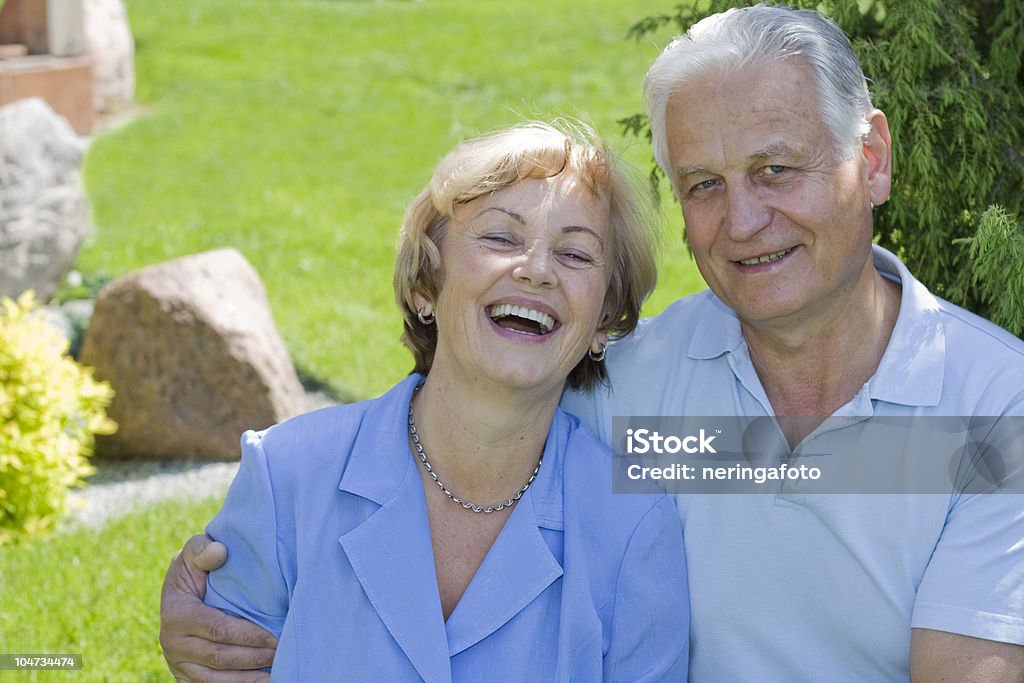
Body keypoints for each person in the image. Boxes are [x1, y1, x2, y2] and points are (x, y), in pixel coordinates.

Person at [161, 4, 1024, 681]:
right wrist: (224, 597)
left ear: (869, 158)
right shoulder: (637, 387)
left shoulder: (992, 411)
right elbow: (461, 406)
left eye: (776, 169)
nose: (745, 219)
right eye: (704, 185)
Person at [162, 121, 689, 681]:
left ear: (605, 318)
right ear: (424, 284)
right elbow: (216, 664)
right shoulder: (286, 476)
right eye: (501, 239)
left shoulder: (634, 526)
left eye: (577, 254)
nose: (537, 270)